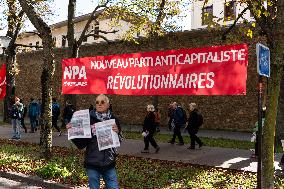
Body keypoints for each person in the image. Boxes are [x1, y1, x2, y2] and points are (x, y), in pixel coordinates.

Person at [67, 94, 121, 189]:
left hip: (109, 162)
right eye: (97, 102)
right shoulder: (87, 119)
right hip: (93, 163)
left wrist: (118, 132)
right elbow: (81, 144)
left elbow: (119, 141)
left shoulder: (114, 119)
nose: (99, 104)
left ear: (108, 105)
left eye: (102, 102)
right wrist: (73, 132)